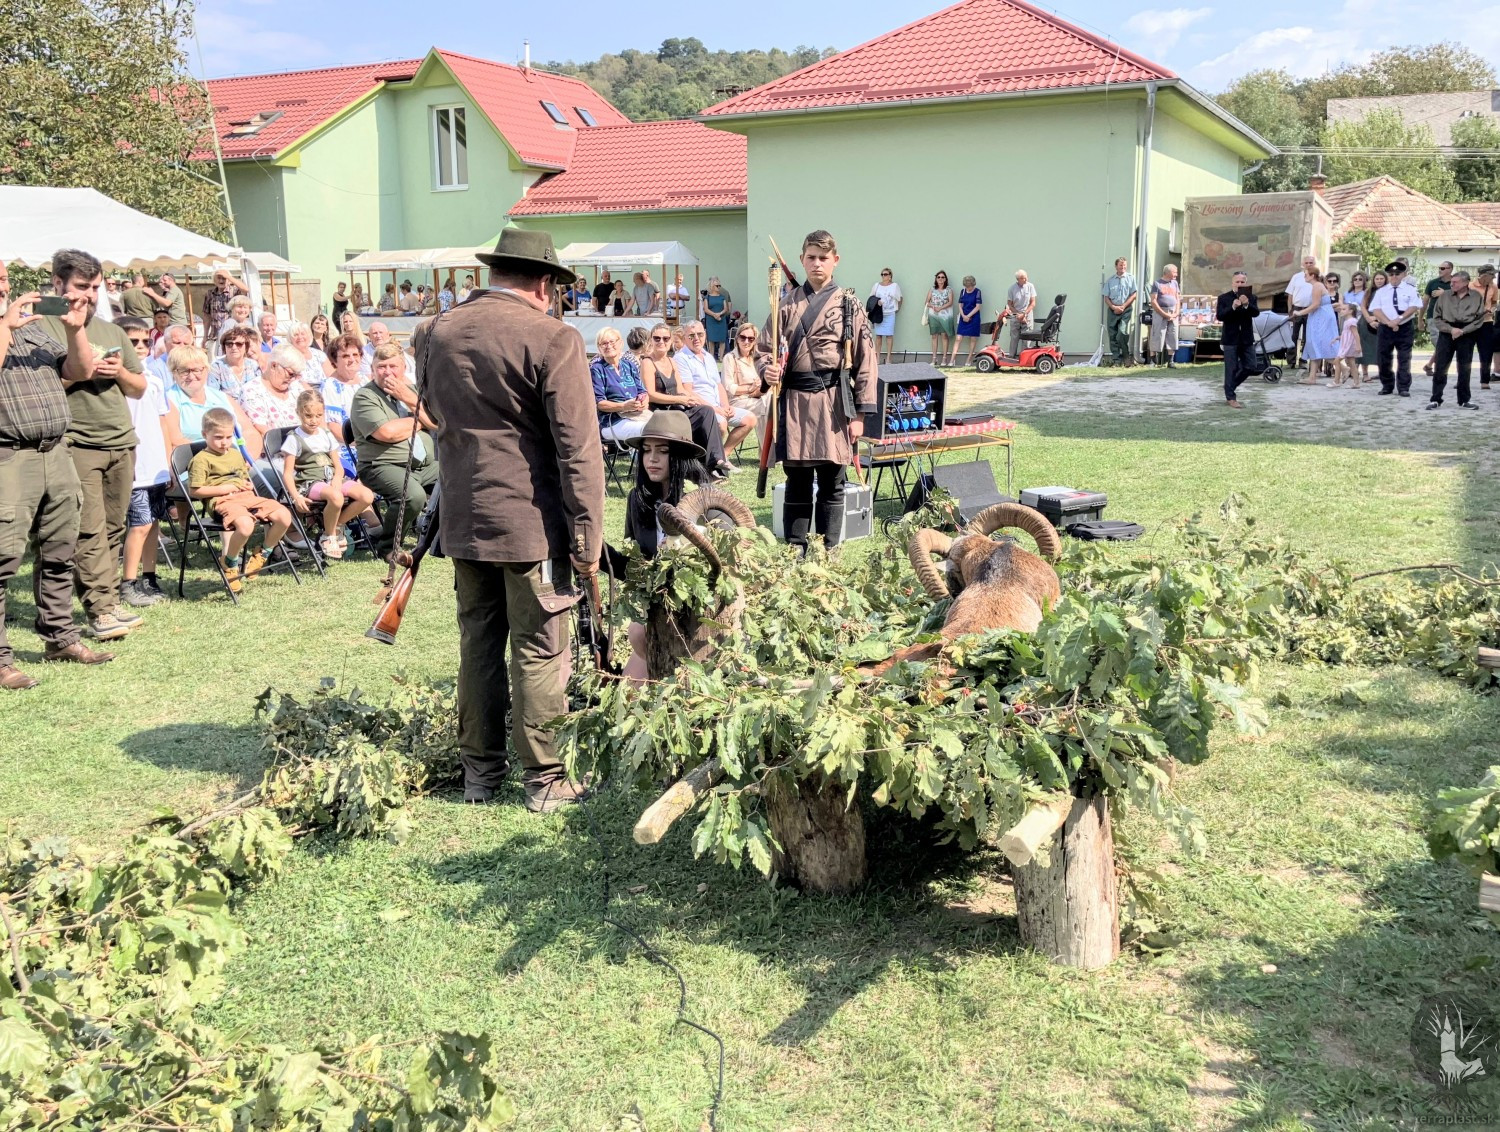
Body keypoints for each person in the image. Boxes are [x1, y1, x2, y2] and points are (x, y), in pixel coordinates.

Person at [419, 227, 605, 813]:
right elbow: (579, 450)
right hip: (530, 523)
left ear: (496, 273)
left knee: (477, 643)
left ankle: (480, 773)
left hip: (464, 517)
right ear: (544, 284)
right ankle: (544, 779)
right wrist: (587, 540)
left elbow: (437, 417)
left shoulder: (436, 331)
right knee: (539, 648)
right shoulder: (553, 337)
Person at [0, 260, 114, 687]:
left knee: (60, 550)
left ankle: (60, 638)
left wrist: (75, 329)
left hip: (55, 452)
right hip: (10, 457)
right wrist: (6, 327)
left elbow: (79, 371)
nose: (3, 286)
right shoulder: (11, 325)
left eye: (4, 278)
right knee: (3, 559)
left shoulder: (32, 327)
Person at [36, 249, 148, 642]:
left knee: (114, 527)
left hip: (120, 438)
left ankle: (109, 599)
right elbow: (42, 386)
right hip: (76, 440)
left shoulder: (111, 330)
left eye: (96, 287)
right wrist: (81, 370)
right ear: (58, 283)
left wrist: (118, 373)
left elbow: (139, 387)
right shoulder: (41, 325)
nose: (90, 295)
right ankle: (100, 611)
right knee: (89, 531)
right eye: (82, 286)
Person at [756, 229, 877, 550]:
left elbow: (867, 361)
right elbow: (763, 350)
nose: (817, 263)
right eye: (811, 257)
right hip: (794, 404)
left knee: (832, 481)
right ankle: (796, 548)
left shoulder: (850, 306)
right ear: (802, 260)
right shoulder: (784, 305)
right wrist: (766, 370)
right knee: (797, 481)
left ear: (835, 260)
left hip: (834, 403)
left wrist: (860, 415)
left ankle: (828, 550)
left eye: (824, 258)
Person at [620, 413, 706, 682]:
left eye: (662, 451)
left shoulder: (705, 500)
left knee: (639, 632)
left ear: (681, 456)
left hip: (699, 611)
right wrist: (595, 553)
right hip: (656, 607)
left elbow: (725, 566)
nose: (652, 459)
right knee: (626, 699)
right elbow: (634, 564)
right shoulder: (638, 499)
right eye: (646, 450)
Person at [186, 408, 291, 593]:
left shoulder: (235, 453)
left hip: (246, 497)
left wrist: (247, 484)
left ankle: (262, 553)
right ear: (204, 434)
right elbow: (195, 491)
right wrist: (224, 489)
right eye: (218, 437)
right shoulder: (201, 459)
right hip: (222, 502)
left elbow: (242, 478)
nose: (224, 442)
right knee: (245, 525)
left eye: (228, 437)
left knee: (284, 515)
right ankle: (230, 563)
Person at [116, 318, 182, 607]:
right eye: (133, 342)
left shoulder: (154, 379)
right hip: (135, 465)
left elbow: (163, 423)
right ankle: (127, 583)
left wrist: (168, 462)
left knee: (154, 522)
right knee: (139, 524)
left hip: (155, 465)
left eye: (145, 341)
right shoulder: (115, 382)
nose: (141, 346)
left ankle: (149, 577)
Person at [350, 341, 439, 552]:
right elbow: (387, 433)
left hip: (423, 466)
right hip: (382, 465)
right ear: (372, 369)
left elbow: (437, 424)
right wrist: (421, 419)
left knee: (458, 478)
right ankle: (388, 547)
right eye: (381, 367)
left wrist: (409, 399)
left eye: (393, 366)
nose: (387, 372)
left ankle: (440, 537)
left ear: (403, 368)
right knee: (413, 496)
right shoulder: (365, 396)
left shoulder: (412, 392)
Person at [279, 388, 375, 558]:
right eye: (308, 416)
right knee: (336, 497)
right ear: (298, 412)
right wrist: (296, 497)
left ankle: (337, 525)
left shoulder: (326, 434)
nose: (314, 420)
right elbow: (287, 473)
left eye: (318, 415)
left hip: (331, 478)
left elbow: (338, 466)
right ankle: (329, 536)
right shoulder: (294, 439)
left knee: (367, 495)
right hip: (310, 482)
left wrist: (337, 478)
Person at [642, 321, 728, 475]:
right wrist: (680, 400)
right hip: (660, 413)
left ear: (671, 340)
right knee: (702, 416)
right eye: (657, 338)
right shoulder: (647, 362)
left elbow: (680, 389)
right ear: (651, 340)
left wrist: (690, 398)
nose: (661, 342)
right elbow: (651, 395)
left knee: (706, 411)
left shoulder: (672, 361)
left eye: (665, 338)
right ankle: (709, 467)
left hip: (676, 410)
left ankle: (716, 459)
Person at [677, 320, 749, 474]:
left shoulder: (708, 356)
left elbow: (719, 385)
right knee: (721, 424)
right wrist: (715, 409)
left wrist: (725, 406)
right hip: (701, 409)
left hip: (718, 406)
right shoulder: (681, 358)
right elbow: (688, 392)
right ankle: (713, 462)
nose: (696, 338)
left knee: (750, 419)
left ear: (705, 334)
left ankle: (722, 456)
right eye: (691, 335)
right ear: (684, 338)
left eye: (700, 334)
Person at [166, 345, 253, 445]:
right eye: (184, 371)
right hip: (199, 454)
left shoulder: (222, 397)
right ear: (174, 373)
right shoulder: (169, 401)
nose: (191, 376)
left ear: (206, 370)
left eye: (197, 370)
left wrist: (248, 454)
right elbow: (175, 441)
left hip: (238, 452)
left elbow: (250, 432)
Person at [1427, 270, 1483, 411]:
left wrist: (1463, 331)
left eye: (1455, 282)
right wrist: (1451, 330)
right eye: (1451, 282)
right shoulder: (1444, 296)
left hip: (1467, 333)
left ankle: (1464, 400)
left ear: (1466, 282)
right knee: (1440, 366)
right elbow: (1437, 317)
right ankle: (1435, 399)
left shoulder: (1476, 296)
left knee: (1464, 367)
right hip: (1447, 332)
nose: (1451, 284)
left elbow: (1479, 319)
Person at [1370, 261, 1422, 397]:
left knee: (1404, 357)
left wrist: (1398, 320)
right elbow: (1376, 309)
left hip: (1404, 327)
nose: (1394, 277)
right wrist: (1389, 322)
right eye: (1391, 274)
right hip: (1385, 327)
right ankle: (1387, 385)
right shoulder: (1381, 291)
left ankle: (1403, 387)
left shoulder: (1410, 289)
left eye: (1397, 274)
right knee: (1383, 357)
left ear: (1403, 275)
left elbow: (1414, 306)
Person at [592, 327, 651, 443]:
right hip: (612, 421)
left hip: (637, 414)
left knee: (665, 425)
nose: (609, 346)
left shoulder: (629, 365)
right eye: (604, 343)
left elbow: (642, 391)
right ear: (599, 348)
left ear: (621, 343)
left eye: (612, 341)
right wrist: (624, 406)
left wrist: (644, 401)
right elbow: (600, 404)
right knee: (649, 430)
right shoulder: (597, 369)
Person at [1216, 271, 1259, 408]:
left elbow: (1256, 313)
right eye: (1237, 282)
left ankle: (1230, 385)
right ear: (1232, 283)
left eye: (1242, 282)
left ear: (1246, 283)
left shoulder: (1252, 297)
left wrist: (1247, 305)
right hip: (1230, 338)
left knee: (1251, 365)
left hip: (1246, 338)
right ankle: (1231, 397)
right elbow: (1220, 316)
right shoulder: (1224, 298)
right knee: (1231, 368)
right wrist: (1233, 307)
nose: (1240, 284)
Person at [721, 321, 769, 441]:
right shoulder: (730, 358)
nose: (746, 341)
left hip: (757, 397)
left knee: (773, 401)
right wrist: (749, 388)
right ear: (737, 339)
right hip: (737, 401)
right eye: (743, 338)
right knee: (767, 406)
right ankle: (766, 449)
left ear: (755, 341)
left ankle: (768, 448)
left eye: (751, 339)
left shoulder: (756, 358)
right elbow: (729, 387)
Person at [1294, 269, 1338, 386]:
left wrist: (1300, 312)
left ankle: (1343, 368)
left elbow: (1315, 305)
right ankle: (1312, 377)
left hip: (1321, 318)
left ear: (1312, 276)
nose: (1304, 277)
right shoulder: (1317, 286)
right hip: (1319, 316)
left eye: (1306, 275)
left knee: (1320, 344)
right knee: (1314, 345)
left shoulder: (1317, 286)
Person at [1284, 255, 1319, 370]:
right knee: (1293, 336)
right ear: (1303, 264)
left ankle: (1303, 360)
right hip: (1297, 309)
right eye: (1306, 263)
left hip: (1311, 310)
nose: (1308, 265)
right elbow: (1290, 294)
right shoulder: (1296, 277)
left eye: (1311, 263)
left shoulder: (1317, 278)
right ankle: (1291, 361)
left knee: (1307, 336)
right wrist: (1290, 310)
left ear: (1314, 264)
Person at [1102, 258, 1137, 365]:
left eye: (1125, 265)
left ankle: (1126, 356)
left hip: (1125, 309)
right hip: (1113, 310)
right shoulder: (1110, 280)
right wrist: (1113, 307)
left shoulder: (1131, 278)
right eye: (1121, 265)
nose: (1123, 267)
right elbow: (1106, 297)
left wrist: (1123, 306)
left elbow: (1134, 295)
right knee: (1113, 335)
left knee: (1121, 332)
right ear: (1116, 266)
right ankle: (1116, 360)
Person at [1422, 260, 1454, 377]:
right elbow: (1425, 301)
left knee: (1445, 345)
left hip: (1451, 318)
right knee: (1440, 345)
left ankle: (1429, 365)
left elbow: (1463, 295)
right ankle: (1439, 369)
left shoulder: (1456, 282)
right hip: (1434, 317)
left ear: (1450, 269)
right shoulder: (1432, 283)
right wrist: (1420, 319)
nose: (1440, 270)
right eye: (1439, 268)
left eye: (1443, 268)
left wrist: (1444, 293)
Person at [209, 326, 260, 400]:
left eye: (239, 344)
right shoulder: (216, 368)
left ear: (246, 346)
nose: (234, 347)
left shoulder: (253, 365)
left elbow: (261, 390)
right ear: (224, 347)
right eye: (229, 344)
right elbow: (213, 395)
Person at [201, 271, 246, 348]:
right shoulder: (210, 294)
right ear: (214, 280)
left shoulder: (235, 291)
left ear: (229, 280)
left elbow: (245, 290)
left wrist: (229, 277)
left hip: (232, 336)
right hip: (214, 336)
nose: (221, 281)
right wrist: (205, 336)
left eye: (224, 278)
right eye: (219, 278)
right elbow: (206, 315)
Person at [1147, 264, 1181, 368]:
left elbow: (1177, 298)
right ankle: (1153, 361)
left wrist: (1176, 312)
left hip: (1173, 312)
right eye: (1174, 272)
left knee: (1173, 335)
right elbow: (1153, 301)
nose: (1176, 274)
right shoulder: (1157, 283)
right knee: (1157, 334)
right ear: (1168, 272)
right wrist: (1164, 314)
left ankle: (1170, 361)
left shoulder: (1175, 283)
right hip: (1160, 312)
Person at [869, 268, 902, 365]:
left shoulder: (894, 286)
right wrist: (877, 302)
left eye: (886, 274)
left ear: (890, 275)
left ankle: (888, 358)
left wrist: (897, 309)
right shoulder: (877, 285)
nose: (884, 276)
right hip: (879, 313)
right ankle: (877, 358)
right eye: (882, 274)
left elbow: (900, 298)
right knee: (878, 336)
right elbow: (871, 298)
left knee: (889, 336)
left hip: (890, 313)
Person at [1002, 269, 1037, 358]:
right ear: (1018, 279)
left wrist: (1024, 314)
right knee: (1014, 338)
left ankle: (1025, 358)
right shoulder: (1012, 289)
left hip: (1027, 316)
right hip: (1015, 315)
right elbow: (1009, 304)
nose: (1026, 279)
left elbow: (1033, 303)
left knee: (1027, 339)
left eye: (1026, 277)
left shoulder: (1030, 286)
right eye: (1023, 278)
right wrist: (1018, 315)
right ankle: (1011, 357)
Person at [1475, 264, 1497, 391]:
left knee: (1486, 352)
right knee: (1465, 351)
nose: (1494, 277)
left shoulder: (1493, 287)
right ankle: (1462, 379)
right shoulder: (1470, 286)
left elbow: (1494, 302)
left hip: (1486, 322)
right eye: (1492, 275)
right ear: (1484, 275)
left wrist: (1492, 310)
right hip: (1470, 322)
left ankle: (1485, 380)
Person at [953, 275, 983, 366]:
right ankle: (952, 360)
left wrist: (968, 316)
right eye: (966, 286)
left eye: (970, 286)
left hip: (974, 317)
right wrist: (963, 315)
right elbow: (960, 305)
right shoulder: (963, 291)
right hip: (963, 316)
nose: (968, 288)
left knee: (973, 338)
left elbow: (978, 307)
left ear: (973, 284)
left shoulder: (977, 292)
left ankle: (968, 360)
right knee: (958, 338)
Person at [925, 271, 954, 364]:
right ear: (936, 279)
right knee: (934, 336)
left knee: (944, 335)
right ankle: (934, 358)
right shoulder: (932, 289)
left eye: (942, 277)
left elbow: (950, 302)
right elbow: (926, 302)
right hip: (933, 315)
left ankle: (944, 358)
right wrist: (933, 306)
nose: (940, 279)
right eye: (938, 277)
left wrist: (940, 308)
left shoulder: (949, 289)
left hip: (945, 315)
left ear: (945, 279)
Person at [1331, 303, 1362, 388]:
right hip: (1346, 344)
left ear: (1350, 311)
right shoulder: (1347, 321)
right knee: (1352, 363)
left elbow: (1355, 334)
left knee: (1337, 361)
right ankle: (1356, 383)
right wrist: (1338, 337)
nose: (1341, 311)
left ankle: (1336, 381)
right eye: (1341, 309)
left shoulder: (1351, 321)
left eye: (1344, 309)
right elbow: (1347, 334)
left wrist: (1358, 345)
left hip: (1348, 345)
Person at [703, 278, 730, 358]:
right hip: (711, 320)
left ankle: (721, 357)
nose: (718, 287)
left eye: (719, 286)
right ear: (712, 286)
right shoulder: (707, 297)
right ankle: (711, 357)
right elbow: (706, 309)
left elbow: (725, 308)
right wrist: (714, 314)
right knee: (711, 339)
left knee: (722, 339)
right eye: (717, 286)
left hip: (721, 320)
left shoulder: (722, 297)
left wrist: (719, 314)